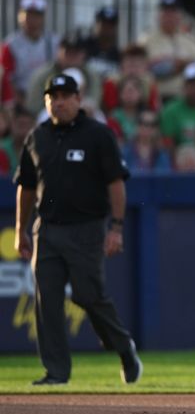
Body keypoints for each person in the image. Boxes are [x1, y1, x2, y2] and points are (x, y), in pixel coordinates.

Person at [13, 73, 142, 386]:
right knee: (47, 300)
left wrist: (116, 227)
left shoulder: (98, 135)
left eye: (65, 96)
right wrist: (21, 228)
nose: (59, 102)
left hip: (86, 228)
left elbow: (115, 183)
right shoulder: (37, 136)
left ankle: (123, 346)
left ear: (78, 99)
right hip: (47, 229)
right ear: (46, 102)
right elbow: (26, 187)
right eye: (52, 97)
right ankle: (56, 372)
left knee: (88, 295)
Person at [1, 0, 60, 107]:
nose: (31, 19)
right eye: (28, 14)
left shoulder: (54, 42)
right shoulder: (10, 44)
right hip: (21, 99)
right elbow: (7, 78)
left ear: (43, 17)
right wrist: (20, 101)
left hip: (50, 96)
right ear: (20, 16)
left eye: (36, 15)